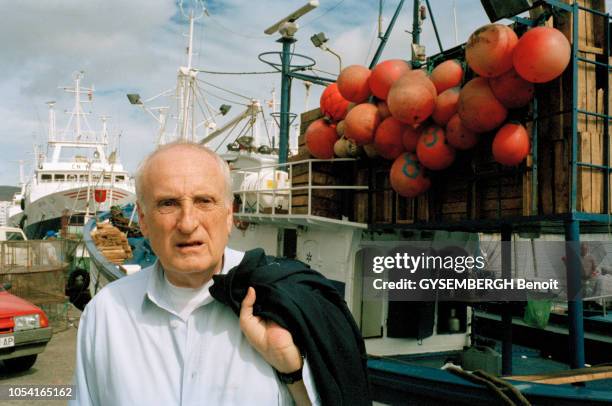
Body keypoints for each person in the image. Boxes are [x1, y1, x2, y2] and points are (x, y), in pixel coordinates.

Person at [71, 141, 318, 405]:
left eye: (204, 201)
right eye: (168, 203)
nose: (188, 223)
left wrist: (292, 372)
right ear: (143, 220)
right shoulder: (106, 314)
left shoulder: (287, 302)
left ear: (228, 215)